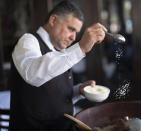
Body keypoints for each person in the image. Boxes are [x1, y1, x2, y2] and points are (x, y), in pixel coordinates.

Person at [8, 0, 107, 131]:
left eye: (77, 32)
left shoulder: (60, 51)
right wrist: (81, 47)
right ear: (53, 20)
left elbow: (52, 92)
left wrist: (78, 91)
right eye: (71, 29)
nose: (73, 37)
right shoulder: (27, 41)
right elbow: (32, 74)